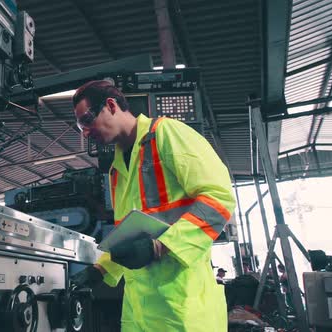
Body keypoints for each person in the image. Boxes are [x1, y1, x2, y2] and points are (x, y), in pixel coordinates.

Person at [69, 80, 236, 331]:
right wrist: (100, 270)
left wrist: (159, 247)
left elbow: (218, 198)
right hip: (139, 311)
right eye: (80, 126)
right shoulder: (116, 169)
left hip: (182, 308)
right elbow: (129, 238)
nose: (85, 132)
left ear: (111, 106)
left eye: (87, 120)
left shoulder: (166, 133)